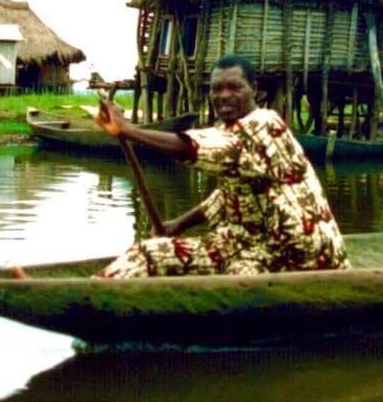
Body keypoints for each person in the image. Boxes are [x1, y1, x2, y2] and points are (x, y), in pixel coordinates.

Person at [93, 54, 349, 277]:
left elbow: (203, 147)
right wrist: (177, 225)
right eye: (216, 89)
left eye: (234, 87)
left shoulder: (266, 126)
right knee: (148, 252)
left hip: (297, 256)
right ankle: (96, 294)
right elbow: (226, 196)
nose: (224, 96)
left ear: (255, 90)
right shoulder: (229, 132)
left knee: (237, 278)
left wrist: (131, 131)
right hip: (243, 244)